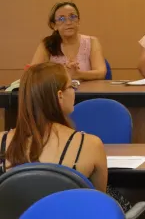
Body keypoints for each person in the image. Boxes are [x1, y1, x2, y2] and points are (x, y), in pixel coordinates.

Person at [0, 63, 131, 210]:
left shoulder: (1, 142)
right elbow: (98, 204)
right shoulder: (90, 145)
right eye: (72, 85)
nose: (74, 90)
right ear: (60, 95)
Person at [29, 2, 107, 81]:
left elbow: (101, 73)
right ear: (54, 25)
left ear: (78, 21)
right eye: (62, 19)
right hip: (57, 92)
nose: (68, 22)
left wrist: (78, 74)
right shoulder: (47, 44)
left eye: (72, 17)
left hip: (88, 92)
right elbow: (33, 75)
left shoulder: (92, 42)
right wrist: (63, 73)